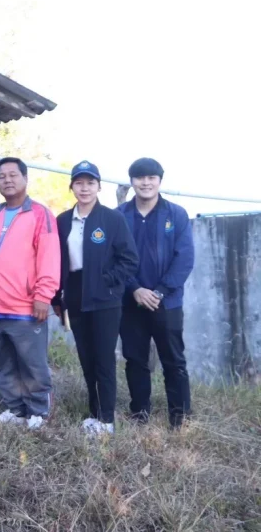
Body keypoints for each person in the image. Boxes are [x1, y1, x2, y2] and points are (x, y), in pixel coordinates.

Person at [0, 157, 60, 431]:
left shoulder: (40, 214)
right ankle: (14, 408)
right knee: (2, 364)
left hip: (26, 307)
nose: (7, 180)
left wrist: (43, 296)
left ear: (25, 178)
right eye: (2, 176)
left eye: (13, 175)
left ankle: (38, 412)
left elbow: (49, 258)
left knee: (32, 364)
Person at [53, 161, 139, 435]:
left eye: (90, 183)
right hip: (75, 295)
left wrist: (106, 281)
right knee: (86, 357)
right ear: (72, 187)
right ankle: (94, 413)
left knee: (103, 358)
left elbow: (129, 260)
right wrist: (57, 297)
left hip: (105, 298)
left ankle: (106, 419)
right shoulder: (62, 220)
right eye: (79, 183)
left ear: (99, 187)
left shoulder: (112, 219)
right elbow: (57, 261)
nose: (85, 188)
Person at [117, 157, 195, 428]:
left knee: (173, 360)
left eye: (151, 177)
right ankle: (140, 413)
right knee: (135, 359)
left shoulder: (176, 214)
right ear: (132, 181)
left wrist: (160, 292)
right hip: (131, 302)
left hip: (167, 302)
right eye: (140, 177)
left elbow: (184, 259)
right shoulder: (119, 216)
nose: (146, 182)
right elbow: (114, 258)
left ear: (160, 181)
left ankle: (180, 416)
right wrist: (135, 289)